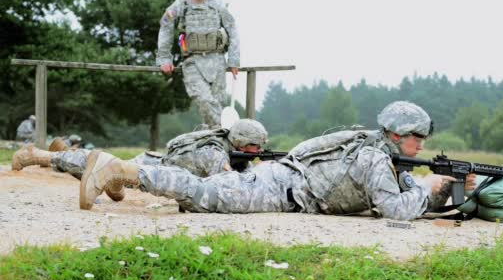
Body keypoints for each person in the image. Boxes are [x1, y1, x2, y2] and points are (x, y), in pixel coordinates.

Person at [79, 101, 476, 220]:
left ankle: (126, 174)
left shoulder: (374, 148)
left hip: (281, 181)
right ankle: (119, 170)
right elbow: (394, 209)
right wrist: (431, 189)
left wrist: (441, 192)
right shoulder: (374, 157)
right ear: (398, 135)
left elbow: (403, 194)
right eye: (417, 138)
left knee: (203, 194)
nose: (422, 145)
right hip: (278, 188)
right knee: (203, 195)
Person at [12, 119, 267, 206]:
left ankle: (62, 154)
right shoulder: (215, 152)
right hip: (150, 166)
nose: (259, 151)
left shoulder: (227, 147)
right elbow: (227, 186)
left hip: (156, 164)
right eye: (255, 147)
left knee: (101, 174)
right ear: (241, 141)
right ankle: (38, 155)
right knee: (96, 164)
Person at [157, 0, 239, 130]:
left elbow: (232, 29)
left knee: (216, 103)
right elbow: (166, 26)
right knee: (203, 99)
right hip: (192, 61)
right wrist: (164, 59)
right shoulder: (181, 4)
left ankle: (215, 144)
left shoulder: (217, 5)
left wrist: (234, 59)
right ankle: (227, 131)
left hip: (216, 61)